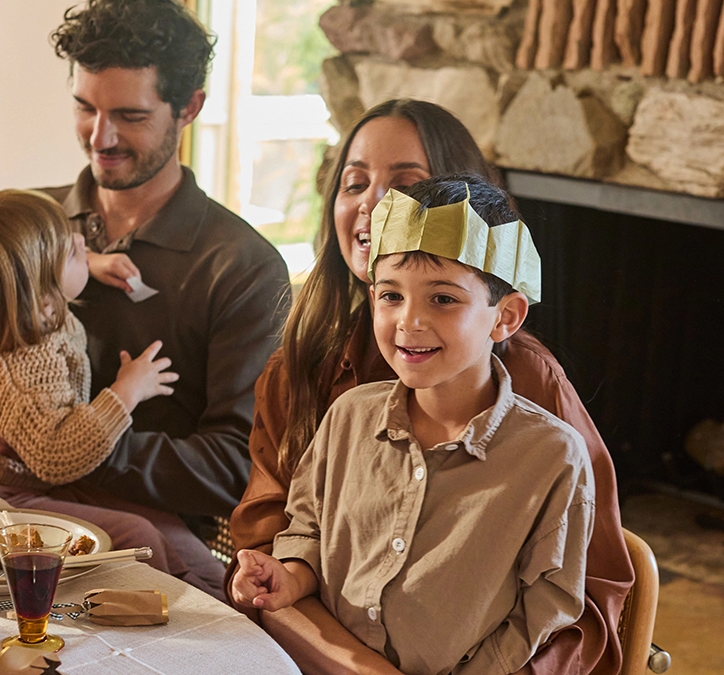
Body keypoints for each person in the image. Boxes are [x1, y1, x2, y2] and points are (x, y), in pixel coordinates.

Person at [228, 99, 635, 675]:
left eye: (404, 185)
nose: (373, 204)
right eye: (354, 181)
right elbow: (286, 541)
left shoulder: (539, 416)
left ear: (505, 315)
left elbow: (571, 600)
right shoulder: (314, 381)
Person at [23, 0, 290, 590]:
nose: (101, 137)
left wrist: (66, 446)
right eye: (85, 108)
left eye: (130, 115)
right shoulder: (25, 226)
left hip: (138, 564)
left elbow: (233, 467)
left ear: (189, 107)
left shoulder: (242, 268)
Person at [0, 190, 222, 597]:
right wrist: (126, 392)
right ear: (40, 299)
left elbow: (22, 274)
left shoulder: (2, 316)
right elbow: (58, 455)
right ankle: (183, 628)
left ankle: (222, 603)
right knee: (138, 534)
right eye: (69, 252)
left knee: (172, 534)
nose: (82, 241)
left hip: (34, 482)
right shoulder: (25, 363)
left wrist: (85, 264)